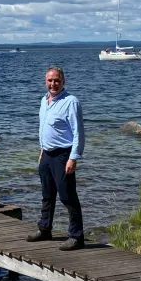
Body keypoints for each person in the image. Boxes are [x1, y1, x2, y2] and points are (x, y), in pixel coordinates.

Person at [28, 65, 86, 251]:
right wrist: (42, 150)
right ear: (46, 81)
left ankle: (77, 237)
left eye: (57, 80)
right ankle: (45, 228)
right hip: (46, 154)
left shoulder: (71, 102)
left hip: (63, 155)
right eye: (50, 80)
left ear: (63, 81)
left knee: (67, 196)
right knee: (47, 194)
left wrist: (73, 157)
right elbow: (43, 128)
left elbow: (78, 133)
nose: (53, 84)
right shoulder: (44, 100)